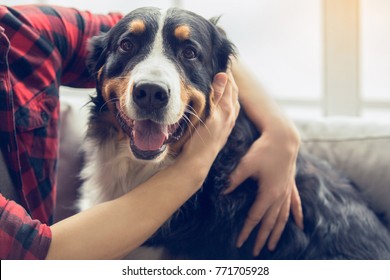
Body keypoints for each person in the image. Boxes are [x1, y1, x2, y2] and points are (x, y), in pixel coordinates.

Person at [0, 5, 302, 259]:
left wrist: (282, 131)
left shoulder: (20, 29)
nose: (152, 85)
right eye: (128, 47)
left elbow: (166, 27)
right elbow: (41, 257)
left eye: (189, 52)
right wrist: (194, 166)